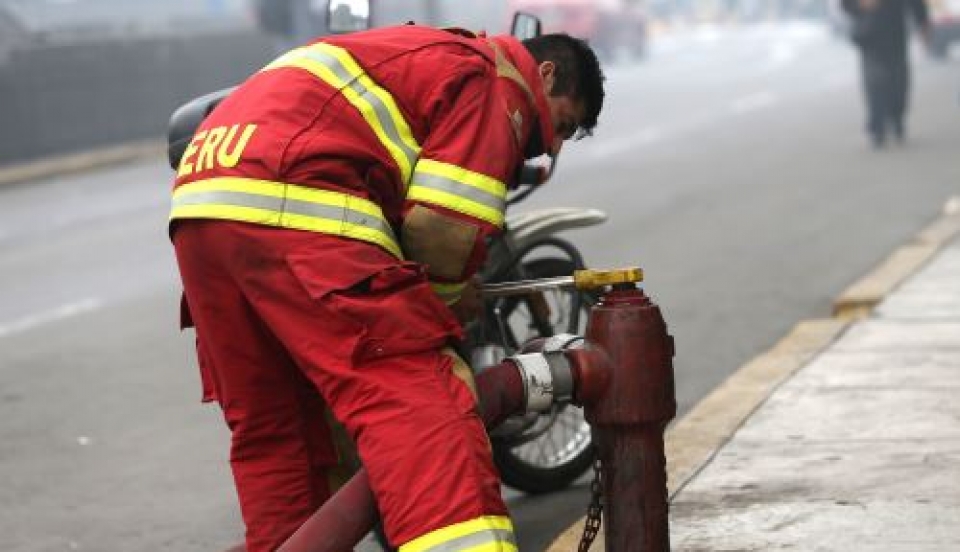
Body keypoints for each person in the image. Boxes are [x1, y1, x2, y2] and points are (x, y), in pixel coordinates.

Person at [169, 23, 605, 552]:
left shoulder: (414, 54)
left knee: (283, 430)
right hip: (293, 200)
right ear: (546, 73)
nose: (549, 147)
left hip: (200, 207)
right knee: (418, 400)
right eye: (561, 125)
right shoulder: (494, 77)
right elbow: (445, 228)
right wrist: (449, 298)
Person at [841, 0, 930, 148]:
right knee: (874, 82)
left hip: (896, 35)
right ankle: (877, 127)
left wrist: (923, 24)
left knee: (898, 82)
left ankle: (896, 118)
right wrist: (860, 5)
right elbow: (846, 5)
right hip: (869, 36)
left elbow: (915, 3)